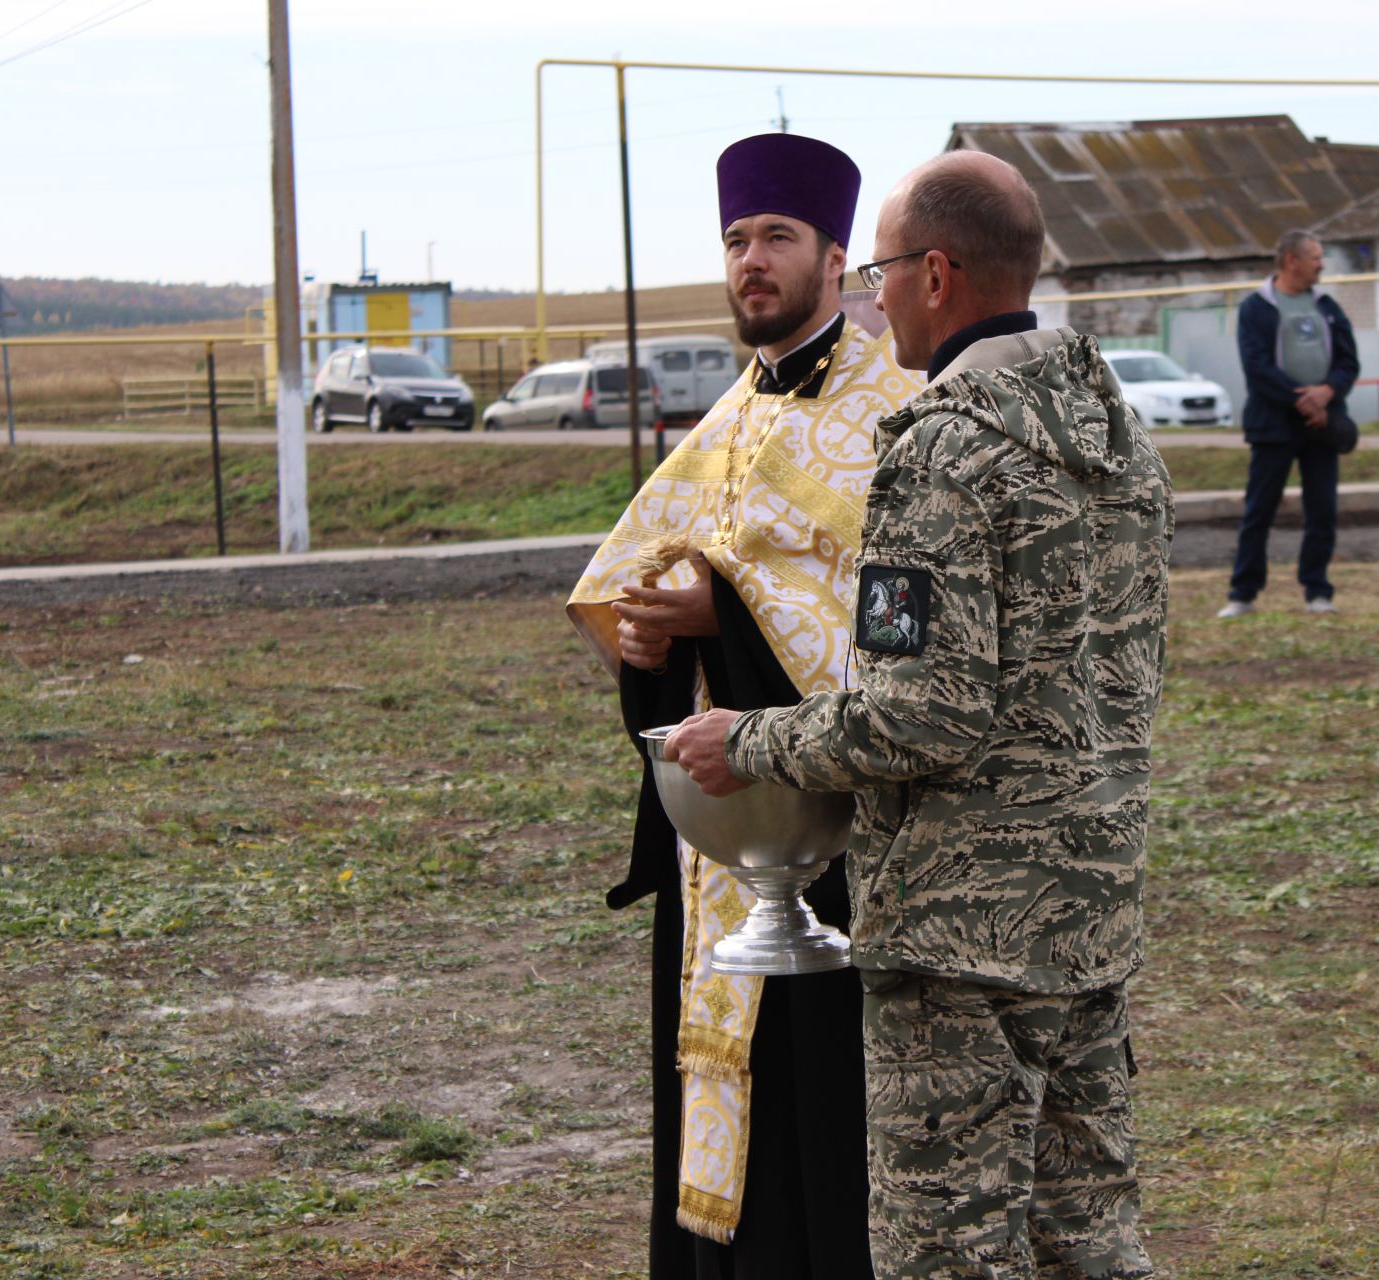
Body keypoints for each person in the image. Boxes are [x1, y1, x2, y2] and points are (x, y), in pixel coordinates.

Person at [662, 150, 1173, 1279]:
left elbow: (921, 715)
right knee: (1091, 1236)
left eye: (884, 268)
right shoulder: (1120, 437)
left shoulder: (940, 451)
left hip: (962, 937)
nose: (873, 293)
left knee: (952, 1250)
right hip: (1090, 912)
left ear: (936, 275)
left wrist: (745, 738)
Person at [566, 132, 921, 1278]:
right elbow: (650, 574)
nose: (750, 261)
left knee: (826, 1091)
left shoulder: (897, 410)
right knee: (713, 1067)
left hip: (847, 824)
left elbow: (888, 618)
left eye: (775, 237)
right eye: (735, 240)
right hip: (720, 820)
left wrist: (717, 612)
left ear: (835, 258)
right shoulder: (725, 418)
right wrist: (648, 636)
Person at [1219, 228, 1359, 618]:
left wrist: (1327, 394)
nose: (1321, 264)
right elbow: (1258, 368)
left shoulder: (1328, 306)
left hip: (1323, 425)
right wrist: (1305, 401)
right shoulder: (1256, 308)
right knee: (1259, 512)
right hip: (1274, 426)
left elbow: (1349, 362)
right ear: (1291, 260)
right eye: (1315, 257)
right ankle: (1242, 594)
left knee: (1322, 512)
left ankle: (1318, 591)